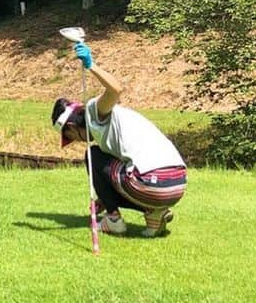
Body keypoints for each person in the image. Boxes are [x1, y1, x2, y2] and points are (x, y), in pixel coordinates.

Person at [52, 41, 186, 237]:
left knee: (92, 155)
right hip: (176, 186)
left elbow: (115, 90)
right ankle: (155, 212)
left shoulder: (94, 113)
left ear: (72, 127)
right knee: (101, 156)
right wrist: (105, 199)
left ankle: (114, 220)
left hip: (151, 183)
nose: (78, 141)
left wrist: (91, 64)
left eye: (71, 136)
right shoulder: (116, 126)